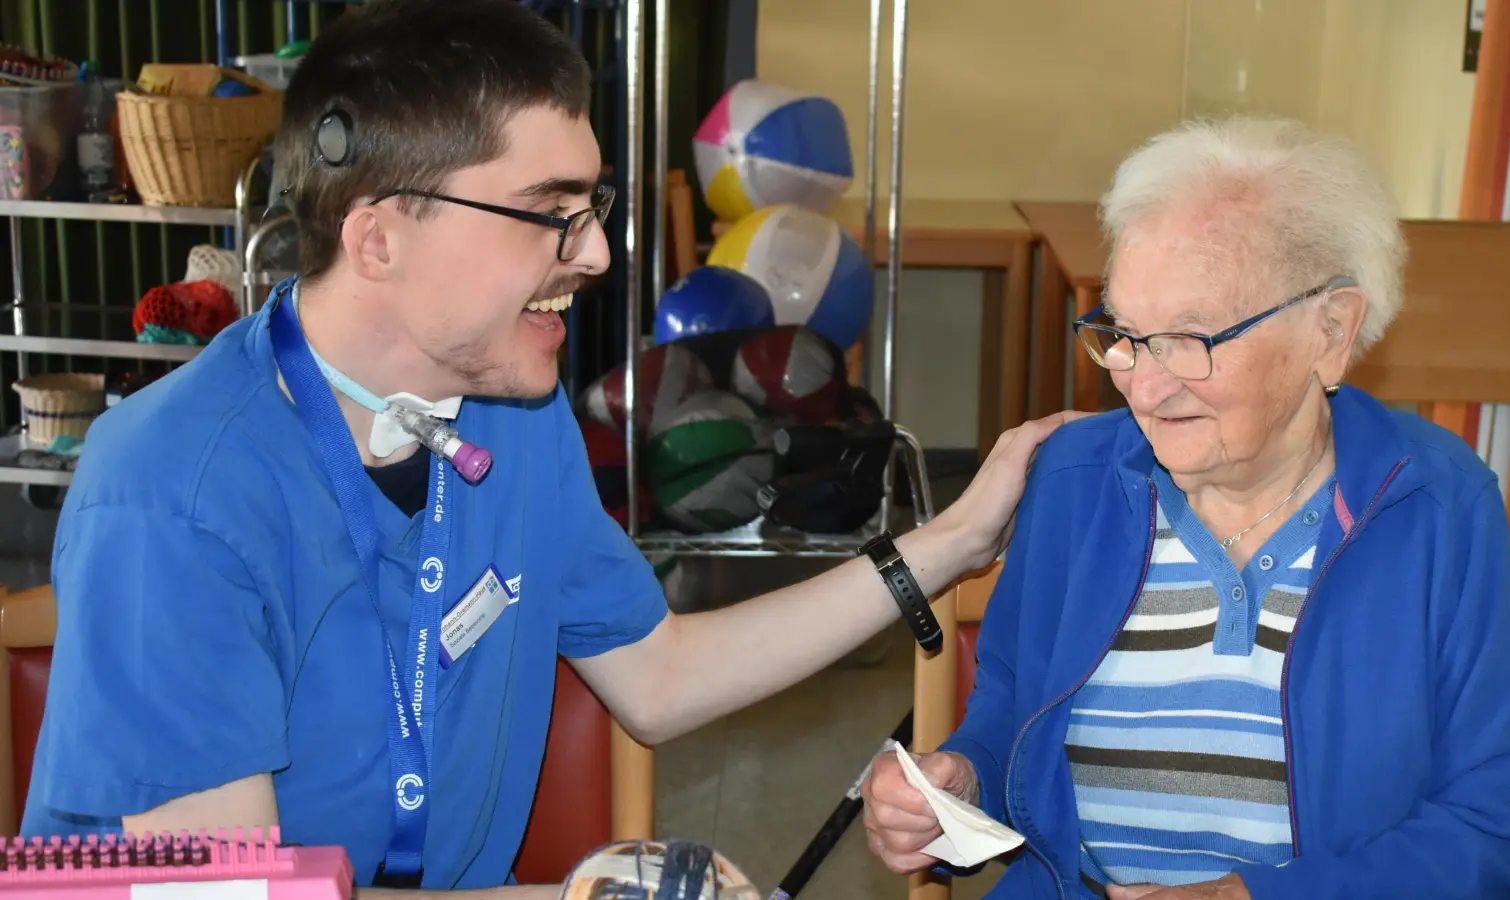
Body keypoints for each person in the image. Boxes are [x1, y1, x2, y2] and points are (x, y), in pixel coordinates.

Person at [19, 1, 1077, 895]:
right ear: (378, 236)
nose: (600, 251)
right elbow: (226, 892)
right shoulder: (172, 494)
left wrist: (948, 542)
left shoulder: (507, 413)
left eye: (592, 204)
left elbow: (658, 676)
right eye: (549, 212)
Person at [860, 115, 1510, 900]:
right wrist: (964, 783)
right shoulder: (1074, 481)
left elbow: (1495, 824)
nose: (1142, 384)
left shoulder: (1437, 507)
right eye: (1125, 332)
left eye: (1192, 338)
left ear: (1331, 331)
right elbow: (1011, 720)